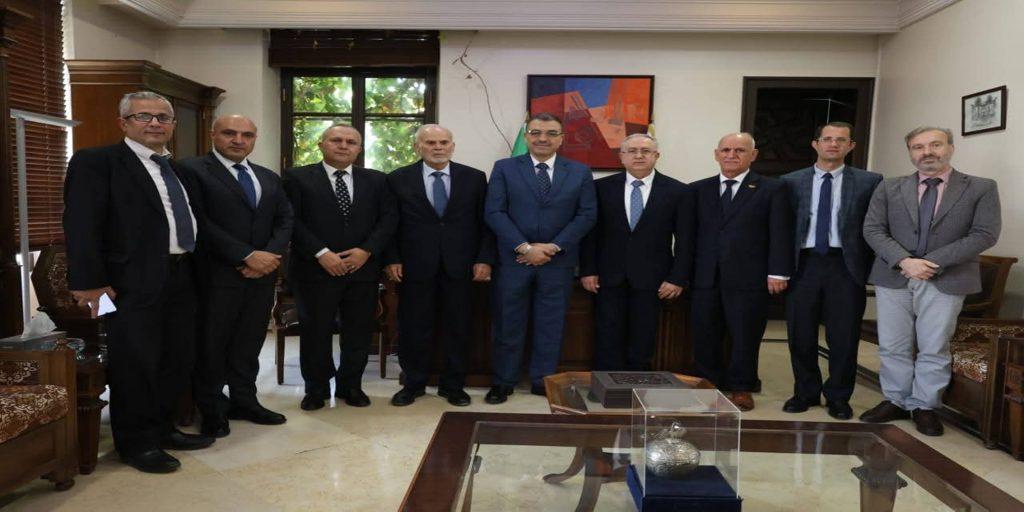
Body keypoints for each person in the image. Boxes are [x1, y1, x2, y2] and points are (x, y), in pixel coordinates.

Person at [64, 91, 213, 473]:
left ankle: (163, 429)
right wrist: (91, 283)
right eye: (144, 116)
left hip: (182, 275)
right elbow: (81, 224)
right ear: (123, 122)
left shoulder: (177, 170)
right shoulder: (97, 162)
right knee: (136, 362)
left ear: (173, 125)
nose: (155, 123)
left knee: (176, 358)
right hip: (127, 282)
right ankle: (136, 443)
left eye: (163, 117)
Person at [861, 126, 1000, 436]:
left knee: (934, 346)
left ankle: (924, 405)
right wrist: (905, 261)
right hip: (895, 274)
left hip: (947, 277)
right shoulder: (889, 187)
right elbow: (872, 229)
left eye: (935, 145)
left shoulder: (981, 187)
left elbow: (984, 234)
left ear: (950, 147)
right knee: (893, 344)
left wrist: (931, 263)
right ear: (910, 152)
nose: (927, 152)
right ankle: (896, 400)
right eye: (918, 147)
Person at [180, 115, 293, 437]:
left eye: (247, 135)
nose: (238, 140)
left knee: (249, 341)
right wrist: (245, 255)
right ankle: (212, 408)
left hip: (261, 276)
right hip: (216, 274)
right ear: (213, 134)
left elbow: (285, 218)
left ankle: (245, 400)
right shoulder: (191, 170)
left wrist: (269, 255)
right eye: (230, 133)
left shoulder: (267, 176)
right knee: (212, 344)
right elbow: (197, 220)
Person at [283, 123, 398, 411]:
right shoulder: (297, 177)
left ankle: (351, 386)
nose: (343, 145)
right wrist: (321, 253)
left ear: (359, 149)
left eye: (351, 142)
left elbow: (388, 219)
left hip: (362, 271)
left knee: (358, 332)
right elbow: (290, 220)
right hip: (315, 270)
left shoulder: (377, 180)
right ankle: (316, 388)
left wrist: (366, 251)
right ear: (321, 144)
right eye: (336, 140)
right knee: (316, 332)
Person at [484, 112, 597, 403]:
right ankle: (503, 381)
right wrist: (525, 248)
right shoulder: (504, 168)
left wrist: (553, 247)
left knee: (551, 324)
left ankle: (542, 380)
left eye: (550, 133)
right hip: (514, 262)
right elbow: (494, 212)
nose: (542, 138)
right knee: (508, 323)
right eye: (535, 133)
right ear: (526, 137)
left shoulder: (580, 172)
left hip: (557, 263)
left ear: (561, 139)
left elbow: (586, 215)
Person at [385, 124, 494, 407]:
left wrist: (484, 258)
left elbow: (485, 224)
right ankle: (413, 384)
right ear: (417, 147)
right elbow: (389, 223)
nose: (438, 147)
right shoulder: (398, 179)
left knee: (459, 327)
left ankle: (453, 386)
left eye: (443, 142)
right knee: (413, 327)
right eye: (430, 142)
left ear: (452, 146)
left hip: (462, 266)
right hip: (414, 266)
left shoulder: (474, 178)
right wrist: (392, 258)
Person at [780, 122, 882, 420]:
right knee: (801, 333)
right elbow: (782, 227)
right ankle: (805, 392)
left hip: (845, 265)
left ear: (851, 146)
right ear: (816, 144)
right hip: (804, 263)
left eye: (840, 140)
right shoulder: (790, 181)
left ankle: (838, 396)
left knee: (844, 336)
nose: (833, 144)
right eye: (827, 139)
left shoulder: (870, 182)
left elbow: (876, 226)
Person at [689, 132, 793, 411]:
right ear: (716, 154)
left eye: (739, 150)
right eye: (725, 150)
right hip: (705, 276)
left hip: (750, 277)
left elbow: (780, 232)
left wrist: (778, 272)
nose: (731, 155)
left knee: (745, 335)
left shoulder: (772, 189)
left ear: (753, 155)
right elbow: (689, 237)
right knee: (705, 334)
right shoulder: (698, 190)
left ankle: (742, 386)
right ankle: (708, 384)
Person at [580, 133, 694, 371]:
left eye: (645, 151)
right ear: (621, 156)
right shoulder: (600, 188)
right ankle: (607, 386)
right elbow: (590, 234)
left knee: (643, 337)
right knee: (607, 336)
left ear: (657, 155)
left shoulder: (678, 191)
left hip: (654, 279)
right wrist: (588, 270)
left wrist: (677, 278)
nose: (639, 156)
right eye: (632, 151)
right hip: (607, 277)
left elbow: (686, 240)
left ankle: (637, 384)